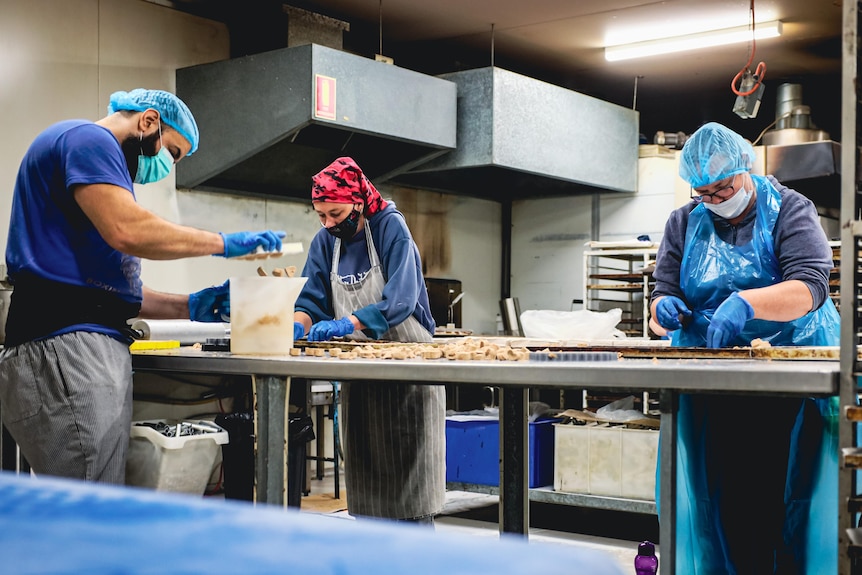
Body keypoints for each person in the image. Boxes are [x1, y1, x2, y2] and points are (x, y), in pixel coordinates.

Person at [0, 88, 286, 484]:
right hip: (64, 345)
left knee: (94, 492)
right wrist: (224, 243)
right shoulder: (89, 140)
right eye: (172, 152)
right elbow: (128, 230)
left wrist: (191, 305)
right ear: (149, 121)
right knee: (87, 502)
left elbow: (104, 292)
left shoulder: (96, 165)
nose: (166, 165)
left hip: (79, 345)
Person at [650, 122, 839, 574]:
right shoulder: (683, 222)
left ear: (746, 170)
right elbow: (660, 296)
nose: (715, 200)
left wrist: (746, 303)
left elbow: (810, 287)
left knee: (785, 499)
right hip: (713, 384)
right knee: (718, 500)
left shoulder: (790, 209)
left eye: (724, 188)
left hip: (789, 382)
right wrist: (664, 307)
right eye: (704, 193)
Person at [293, 157, 444, 524]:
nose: (328, 223)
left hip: (410, 374)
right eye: (321, 216)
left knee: (410, 491)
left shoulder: (390, 227)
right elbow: (311, 297)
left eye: (335, 213)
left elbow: (402, 299)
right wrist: (296, 325)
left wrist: (349, 323)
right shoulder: (324, 242)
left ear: (358, 202)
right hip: (361, 376)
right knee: (367, 475)